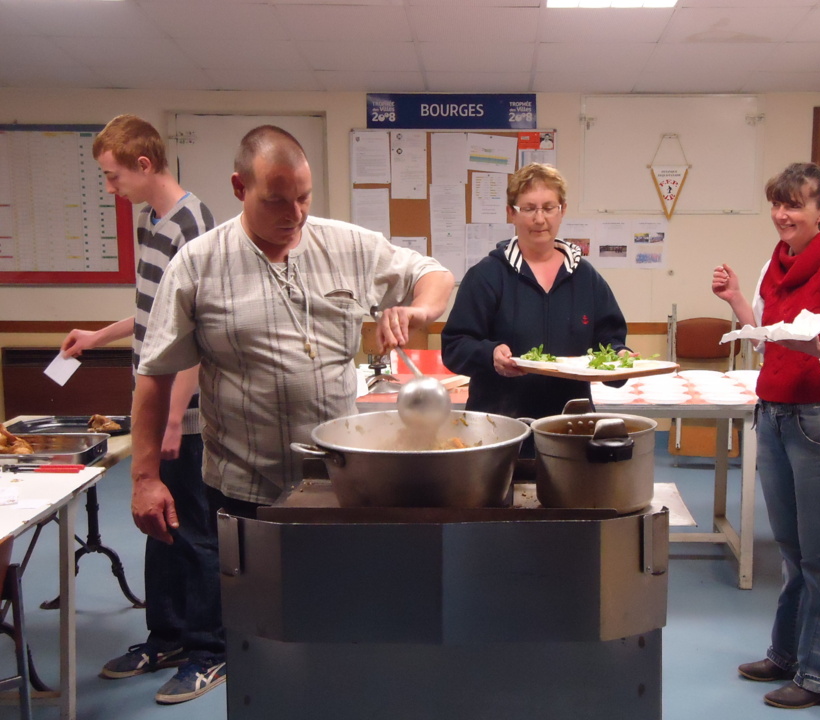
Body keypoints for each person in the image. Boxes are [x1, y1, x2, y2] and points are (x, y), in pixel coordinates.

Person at [129, 118, 453, 665]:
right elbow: (154, 375)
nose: (295, 214)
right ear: (239, 188)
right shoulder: (199, 263)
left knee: (339, 618)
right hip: (245, 485)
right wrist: (144, 478)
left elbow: (435, 274)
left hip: (338, 483)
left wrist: (418, 310)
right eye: (276, 200)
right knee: (257, 632)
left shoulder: (348, 245)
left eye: (303, 197)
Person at [59, 114, 220, 705]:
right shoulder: (152, 223)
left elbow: (199, 329)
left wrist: (175, 417)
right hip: (157, 409)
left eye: (113, 176)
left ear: (144, 165)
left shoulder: (193, 224)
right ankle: (167, 636)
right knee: (157, 523)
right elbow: (155, 312)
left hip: (189, 416)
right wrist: (98, 336)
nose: (111, 188)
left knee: (195, 531)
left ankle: (209, 650)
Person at [712, 162, 820, 710]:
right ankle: (786, 655)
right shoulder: (775, 261)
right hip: (775, 413)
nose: (783, 215)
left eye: (795, 205)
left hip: (818, 418)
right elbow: (766, 337)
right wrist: (737, 299)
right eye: (778, 204)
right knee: (792, 547)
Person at [441, 162, 630, 422]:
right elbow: (455, 346)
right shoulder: (487, 276)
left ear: (562, 210)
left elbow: (608, 341)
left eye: (549, 208)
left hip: (569, 425)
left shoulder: (586, 278)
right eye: (528, 208)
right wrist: (489, 355)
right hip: (499, 425)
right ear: (511, 212)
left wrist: (619, 357)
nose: (540, 219)